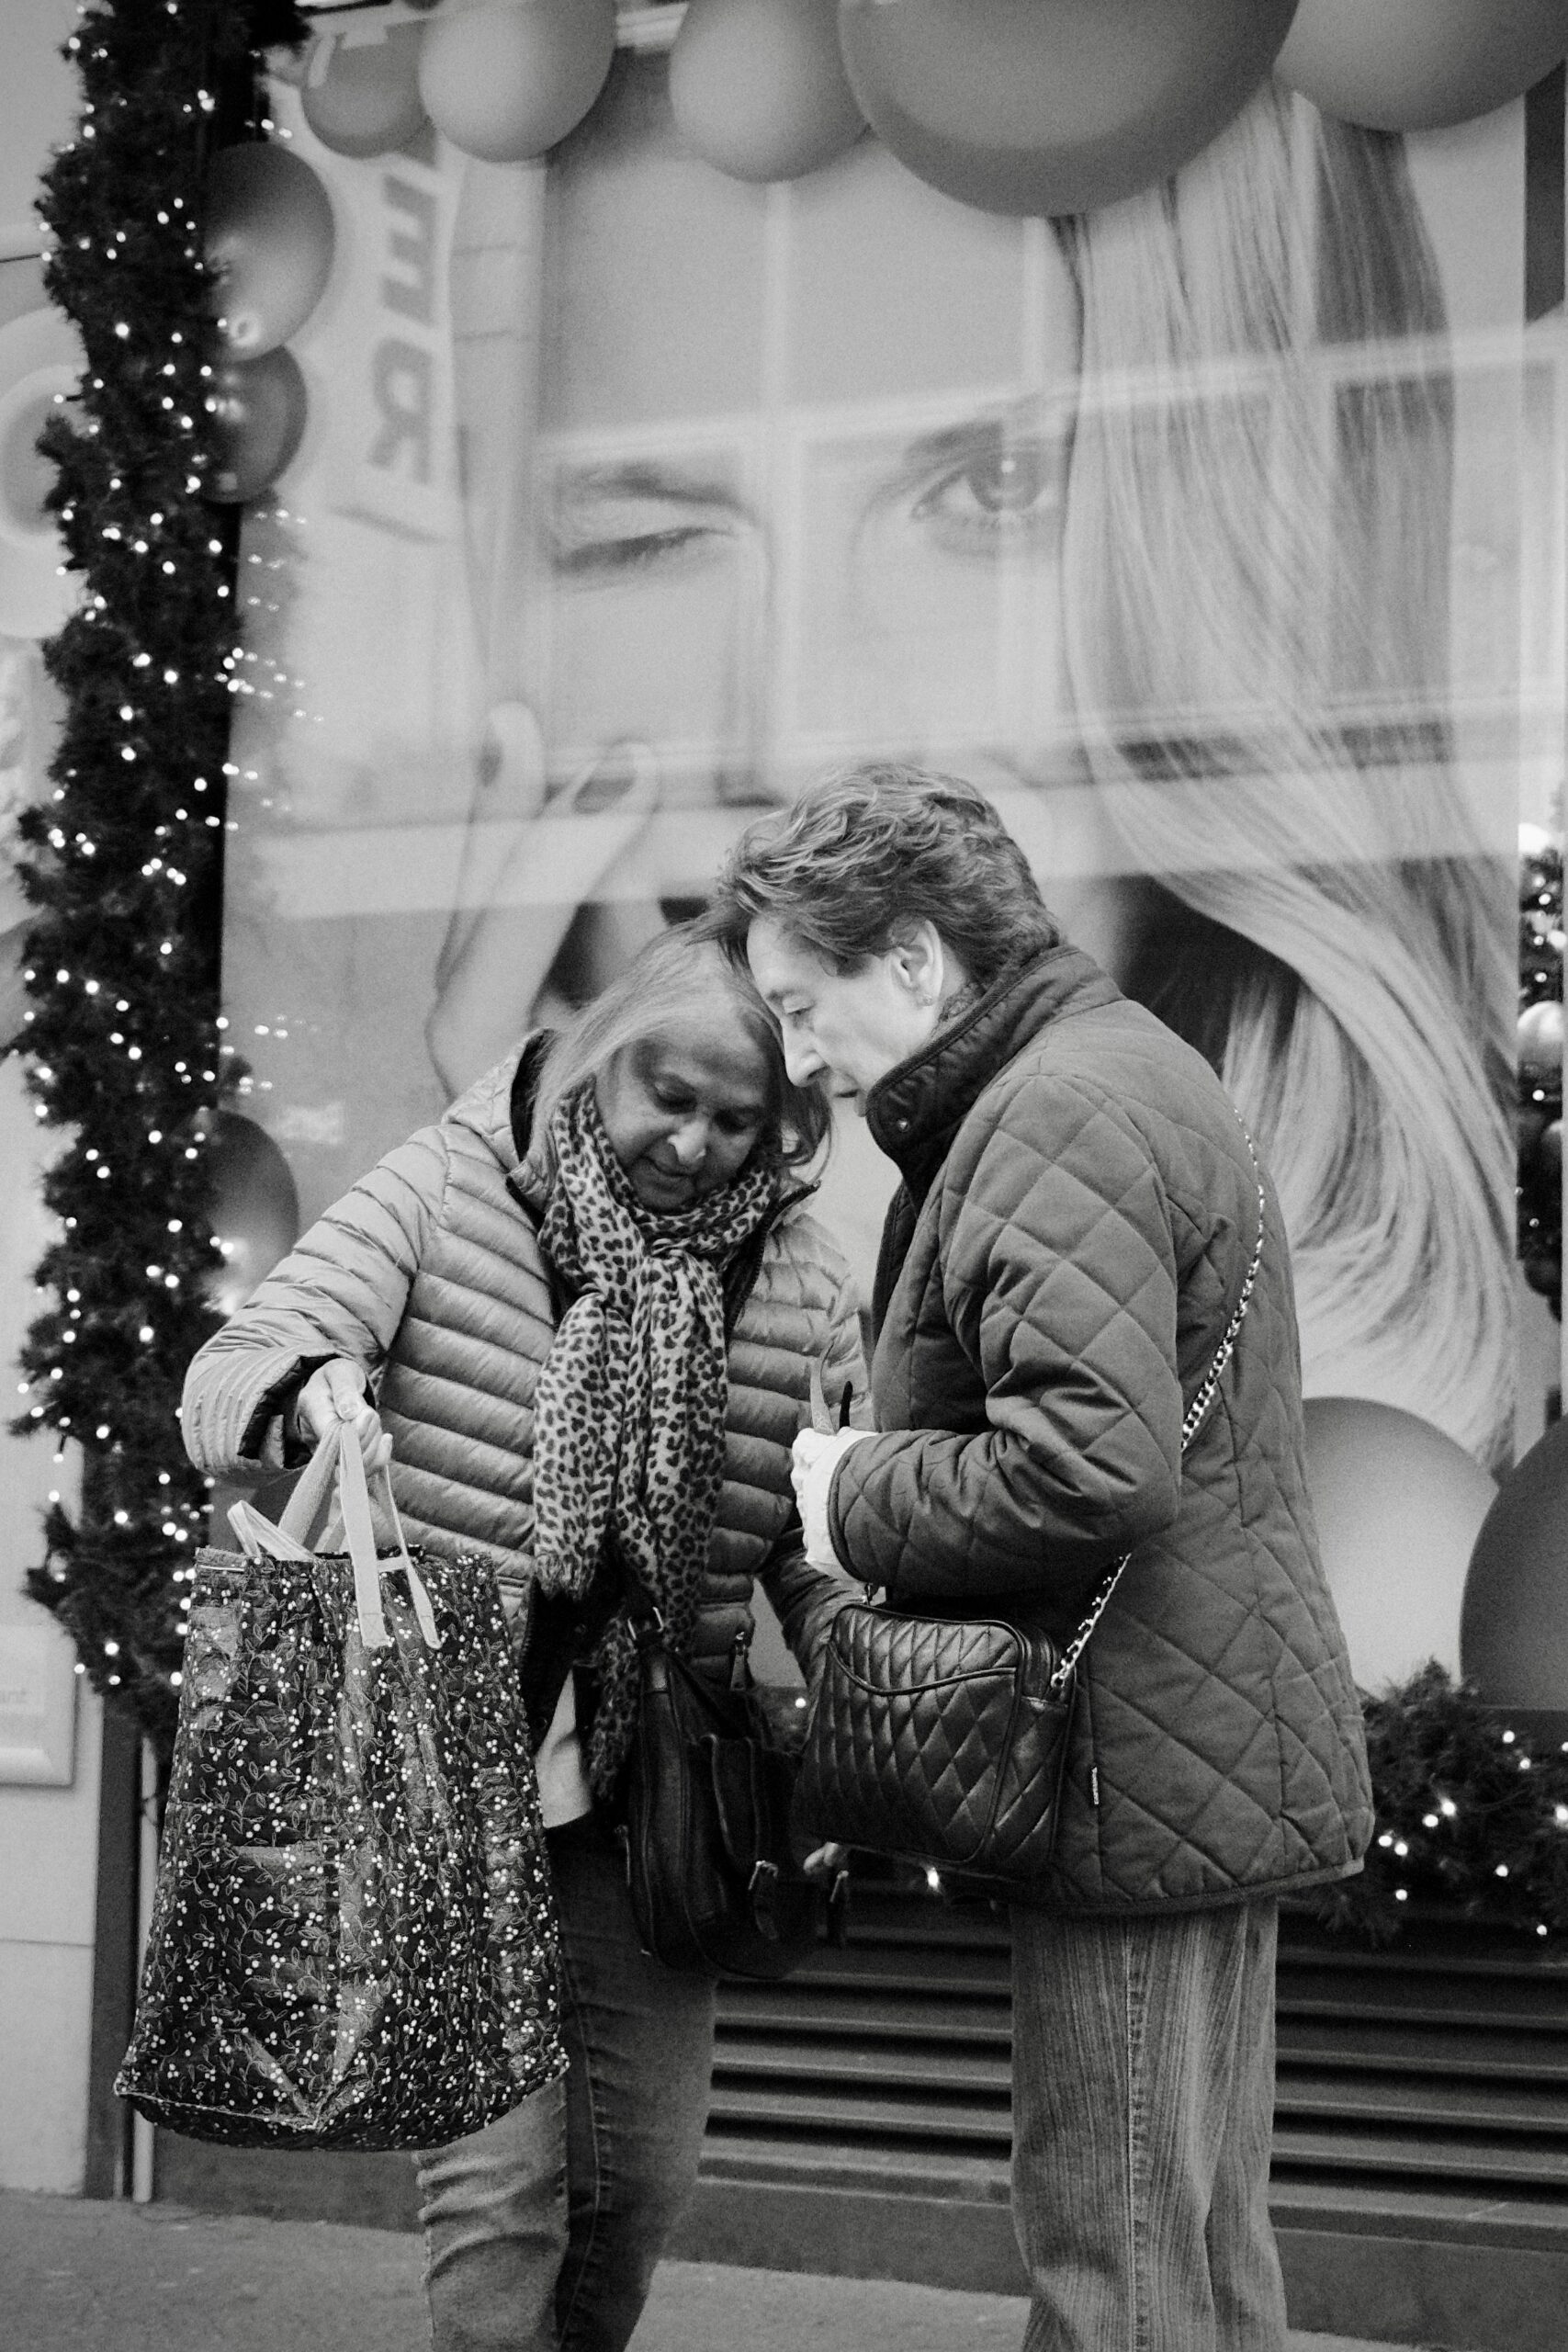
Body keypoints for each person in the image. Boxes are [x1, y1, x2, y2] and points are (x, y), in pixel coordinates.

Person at [422, 52, 1514, 1485]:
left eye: (990, 493)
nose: (793, 737)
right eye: (646, 539)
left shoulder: (1358, 1435)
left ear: (1245, 555)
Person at [708, 763, 1373, 2352]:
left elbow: (1087, 1465)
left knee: (1115, 2246)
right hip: (1192, 1733)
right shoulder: (1115, 1067)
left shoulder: (1054, 1110)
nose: (797, 1058)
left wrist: (847, 1487)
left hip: (1126, 1757)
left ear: (915, 958)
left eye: (802, 1007)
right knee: (1200, 2243)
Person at [179, 922, 864, 2352]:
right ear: (603, 1064)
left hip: (648, 1787)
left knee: (637, 2191)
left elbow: (812, 1533)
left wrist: (867, 1655)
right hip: (439, 1765)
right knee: (503, 2200)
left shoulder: (802, 1277)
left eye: (738, 1120)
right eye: (669, 1098)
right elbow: (232, 1370)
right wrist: (313, 1396)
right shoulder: (450, 1181)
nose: (695, 1142)